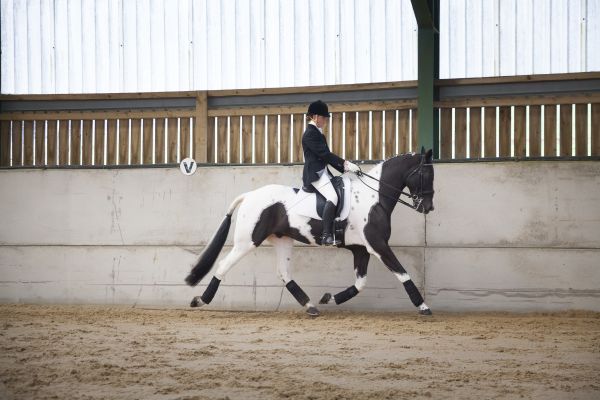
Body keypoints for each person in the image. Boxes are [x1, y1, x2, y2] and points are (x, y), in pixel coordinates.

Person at [302, 100, 360, 246]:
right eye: (324, 117)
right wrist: (345, 164)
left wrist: (345, 168)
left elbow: (326, 156)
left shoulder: (317, 132)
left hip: (323, 172)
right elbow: (325, 154)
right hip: (315, 174)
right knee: (332, 197)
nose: (325, 120)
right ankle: (326, 235)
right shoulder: (310, 134)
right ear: (315, 117)